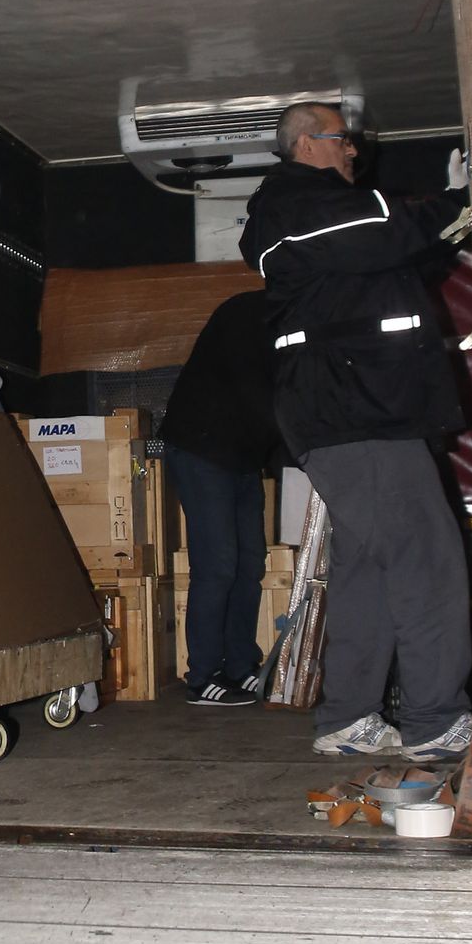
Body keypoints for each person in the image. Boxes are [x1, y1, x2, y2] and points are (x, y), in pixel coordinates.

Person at [237, 102, 472, 763]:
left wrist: (453, 220)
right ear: (308, 144)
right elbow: (383, 231)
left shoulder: (334, 223)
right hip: (356, 411)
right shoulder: (297, 202)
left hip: (357, 410)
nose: (354, 151)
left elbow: (399, 255)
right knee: (426, 561)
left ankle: (348, 717)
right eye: (344, 139)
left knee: (367, 571)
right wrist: (458, 200)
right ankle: (434, 721)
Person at [160, 291, 279, 710]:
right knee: (218, 565)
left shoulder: (294, 318)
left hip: (243, 456)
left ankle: (240, 666)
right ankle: (202, 676)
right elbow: (262, 393)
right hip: (202, 448)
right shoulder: (249, 313)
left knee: (250, 564)